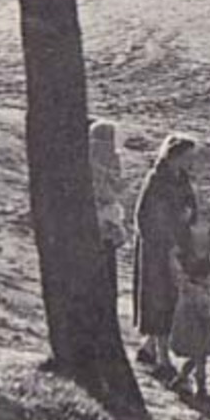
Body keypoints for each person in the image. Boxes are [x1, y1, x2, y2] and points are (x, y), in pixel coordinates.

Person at [133, 133, 198, 377]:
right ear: (174, 157)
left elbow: (190, 208)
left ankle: (149, 348)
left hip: (177, 247)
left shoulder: (181, 179)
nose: (191, 163)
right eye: (188, 157)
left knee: (168, 301)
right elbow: (146, 218)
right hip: (157, 252)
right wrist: (167, 242)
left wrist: (188, 215)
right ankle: (162, 359)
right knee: (159, 300)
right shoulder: (157, 180)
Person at [169, 257, 210, 400]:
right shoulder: (200, 296)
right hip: (197, 334)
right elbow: (208, 317)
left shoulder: (189, 291)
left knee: (194, 359)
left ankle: (181, 377)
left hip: (186, 332)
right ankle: (201, 389)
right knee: (200, 361)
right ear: (201, 278)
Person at [89, 119, 126, 303]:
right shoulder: (92, 164)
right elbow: (102, 191)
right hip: (98, 221)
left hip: (109, 220)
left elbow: (117, 187)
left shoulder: (111, 161)